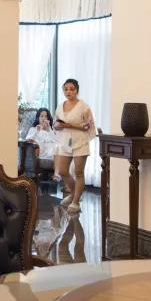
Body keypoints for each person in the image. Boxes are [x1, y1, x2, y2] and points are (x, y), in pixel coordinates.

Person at [54, 79, 95, 213]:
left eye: (71, 89)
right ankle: (73, 194)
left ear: (77, 90)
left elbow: (88, 126)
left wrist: (69, 125)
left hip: (80, 142)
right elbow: (55, 125)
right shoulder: (60, 106)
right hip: (65, 142)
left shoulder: (84, 107)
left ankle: (76, 202)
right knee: (62, 171)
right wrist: (59, 125)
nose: (68, 92)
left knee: (78, 173)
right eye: (66, 89)